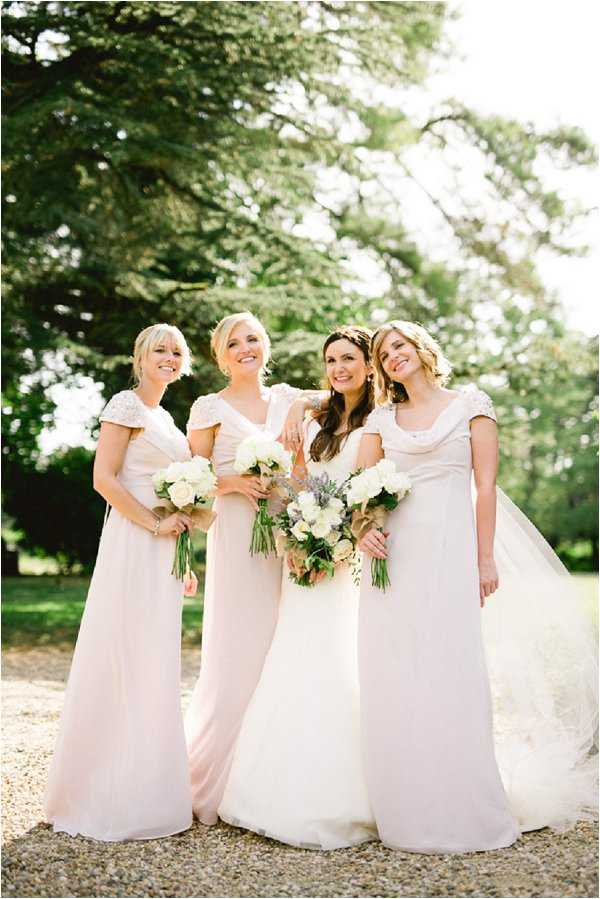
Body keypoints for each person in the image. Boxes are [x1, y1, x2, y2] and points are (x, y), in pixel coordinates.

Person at [356, 320, 597, 853]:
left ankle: (462, 802)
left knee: (452, 668)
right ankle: (405, 804)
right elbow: (359, 493)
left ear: (420, 349)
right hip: (393, 564)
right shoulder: (380, 419)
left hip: (449, 553)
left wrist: (484, 557)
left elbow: (485, 486)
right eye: (382, 353)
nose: (392, 356)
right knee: (394, 671)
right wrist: (365, 529)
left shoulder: (471, 404)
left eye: (398, 346)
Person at [219, 326, 378, 849]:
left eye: (348, 358)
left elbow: (374, 493)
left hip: (350, 554)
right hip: (305, 553)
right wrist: (296, 533)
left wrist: (342, 539)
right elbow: (304, 483)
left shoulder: (382, 419)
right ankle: (276, 788)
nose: (338, 368)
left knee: (345, 658)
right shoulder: (320, 418)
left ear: (369, 363)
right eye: (330, 359)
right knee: (297, 655)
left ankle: (356, 790)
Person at [45, 323, 198, 841]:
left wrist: (184, 553)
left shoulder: (167, 418)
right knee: (124, 652)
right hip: (133, 544)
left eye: (177, 351)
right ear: (140, 356)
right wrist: (155, 525)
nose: (170, 357)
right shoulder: (125, 406)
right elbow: (104, 479)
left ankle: (147, 784)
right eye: (161, 349)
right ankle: (101, 791)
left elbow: (175, 494)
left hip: (164, 551)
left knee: (154, 660)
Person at [185, 311, 323, 825]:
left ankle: (277, 769)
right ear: (221, 356)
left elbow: (345, 394)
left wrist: (304, 402)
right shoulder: (208, 407)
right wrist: (232, 483)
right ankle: (223, 772)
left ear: (266, 346)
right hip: (240, 534)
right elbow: (192, 473)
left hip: (289, 530)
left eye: (254, 340)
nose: (246, 348)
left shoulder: (288, 399)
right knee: (241, 644)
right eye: (234, 343)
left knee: (289, 641)